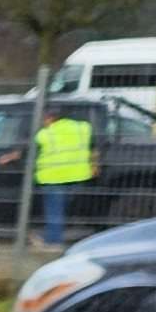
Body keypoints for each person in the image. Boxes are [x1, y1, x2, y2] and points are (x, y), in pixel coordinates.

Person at [31, 99, 96, 242]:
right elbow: (93, 147)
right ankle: (61, 235)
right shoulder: (83, 128)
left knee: (54, 211)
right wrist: (94, 166)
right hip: (79, 176)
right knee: (64, 209)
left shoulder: (44, 134)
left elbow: (31, 151)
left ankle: (53, 240)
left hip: (53, 177)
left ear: (49, 118)